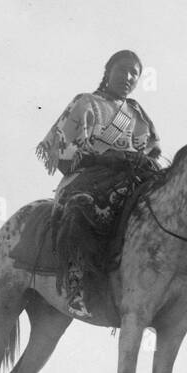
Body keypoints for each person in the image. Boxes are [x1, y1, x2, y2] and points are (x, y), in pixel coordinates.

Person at [35, 49, 162, 318]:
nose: (128, 77)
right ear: (108, 71)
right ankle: (75, 283)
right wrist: (105, 158)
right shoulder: (86, 103)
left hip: (129, 181)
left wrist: (143, 161)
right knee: (82, 207)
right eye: (122, 70)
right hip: (89, 178)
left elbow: (151, 150)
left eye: (134, 74)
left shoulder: (136, 113)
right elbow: (64, 150)